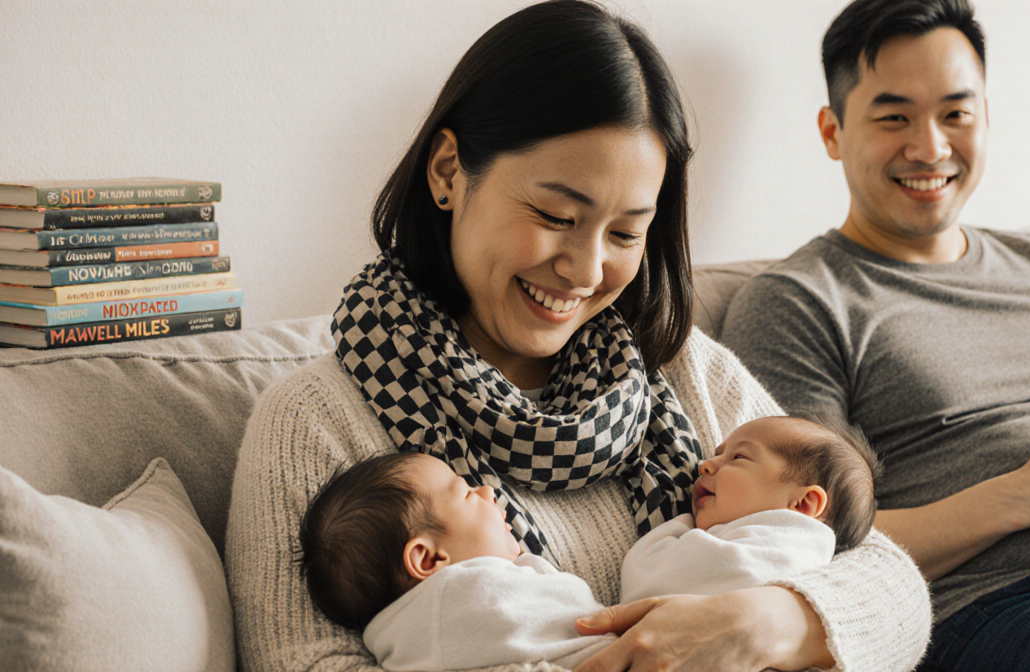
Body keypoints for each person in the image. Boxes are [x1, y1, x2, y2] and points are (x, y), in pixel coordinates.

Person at [224, 2, 931, 671]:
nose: (587, 271)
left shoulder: (683, 370)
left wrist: (764, 623)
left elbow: (888, 581)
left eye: (625, 233)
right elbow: (305, 662)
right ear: (448, 172)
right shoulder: (315, 423)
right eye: (557, 216)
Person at [720, 0, 1030, 670]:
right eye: (894, 117)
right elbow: (803, 538)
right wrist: (1019, 499)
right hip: (1011, 605)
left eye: (956, 114)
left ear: (986, 118)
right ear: (833, 131)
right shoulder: (798, 302)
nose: (931, 147)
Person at [299, 451, 616, 671]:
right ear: (429, 559)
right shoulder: (457, 606)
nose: (488, 491)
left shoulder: (410, 640)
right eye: (466, 493)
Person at [621, 415, 880, 603]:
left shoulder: (782, 552)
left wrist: (680, 525)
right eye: (717, 454)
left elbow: (646, 585)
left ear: (803, 504)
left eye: (739, 457)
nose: (705, 465)